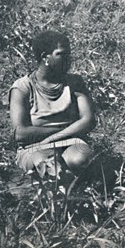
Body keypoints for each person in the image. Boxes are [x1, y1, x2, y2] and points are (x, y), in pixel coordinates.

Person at [9, 30, 96, 181]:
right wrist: (68, 129)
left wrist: (55, 137)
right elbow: (20, 134)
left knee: (81, 159)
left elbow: (88, 120)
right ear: (45, 57)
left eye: (69, 54)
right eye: (61, 54)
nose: (68, 59)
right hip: (34, 147)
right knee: (49, 166)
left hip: (71, 142)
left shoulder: (75, 82)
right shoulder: (23, 87)